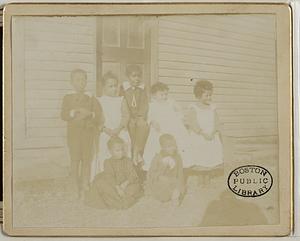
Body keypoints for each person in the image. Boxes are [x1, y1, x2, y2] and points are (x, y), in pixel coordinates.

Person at [61, 68, 104, 200]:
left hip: (87, 133)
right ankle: (74, 186)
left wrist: (89, 113)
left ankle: (85, 185)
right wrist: (74, 112)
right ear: (71, 82)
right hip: (74, 134)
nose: (81, 82)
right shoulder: (67, 97)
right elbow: (63, 115)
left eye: (83, 79)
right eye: (77, 80)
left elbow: (99, 115)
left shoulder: (90, 97)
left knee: (86, 159)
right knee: (75, 160)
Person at [90, 72, 131, 182]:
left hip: (119, 130)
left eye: (115, 86)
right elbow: (96, 119)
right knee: (104, 146)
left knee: (123, 144)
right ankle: (106, 177)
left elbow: (125, 115)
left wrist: (118, 129)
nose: (114, 89)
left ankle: (123, 177)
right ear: (103, 87)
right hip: (106, 131)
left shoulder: (121, 99)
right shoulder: (99, 100)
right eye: (110, 86)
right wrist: (104, 129)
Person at [143, 82, 192, 171]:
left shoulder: (171, 102)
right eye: (161, 95)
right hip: (160, 129)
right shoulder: (152, 105)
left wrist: (181, 119)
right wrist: (153, 122)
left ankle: (179, 165)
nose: (164, 97)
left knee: (178, 143)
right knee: (157, 144)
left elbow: (179, 111)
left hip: (173, 127)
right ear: (154, 95)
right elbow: (149, 117)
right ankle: (159, 166)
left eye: (166, 94)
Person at [85, 136, 143, 209]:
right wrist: (118, 188)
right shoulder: (108, 162)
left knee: (136, 187)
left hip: (126, 186)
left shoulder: (127, 160)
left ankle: (116, 200)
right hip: (114, 186)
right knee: (100, 184)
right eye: (117, 150)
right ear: (110, 151)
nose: (121, 152)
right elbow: (109, 177)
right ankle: (121, 200)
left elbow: (132, 174)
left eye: (122, 150)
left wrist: (125, 184)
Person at [185, 80, 223, 186]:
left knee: (209, 156)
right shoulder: (194, 108)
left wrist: (213, 132)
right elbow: (192, 123)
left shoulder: (212, 108)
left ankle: (207, 176)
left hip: (211, 135)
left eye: (210, 95)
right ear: (198, 95)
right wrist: (202, 133)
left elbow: (217, 121)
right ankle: (200, 177)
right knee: (201, 156)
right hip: (200, 136)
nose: (209, 98)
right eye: (206, 95)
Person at [121, 65, 149, 179]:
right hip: (128, 117)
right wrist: (129, 117)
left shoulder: (142, 90)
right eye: (133, 76)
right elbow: (122, 104)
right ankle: (135, 155)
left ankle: (136, 153)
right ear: (128, 77)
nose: (136, 79)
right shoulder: (123, 89)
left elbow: (144, 104)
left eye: (139, 76)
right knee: (131, 125)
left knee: (143, 125)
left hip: (139, 116)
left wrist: (141, 116)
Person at [145, 134, 185, 206]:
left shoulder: (177, 157)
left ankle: (175, 195)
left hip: (173, 182)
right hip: (160, 183)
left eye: (174, 146)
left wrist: (179, 185)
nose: (172, 148)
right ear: (162, 147)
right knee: (164, 183)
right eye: (169, 147)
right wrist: (163, 166)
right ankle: (169, 195)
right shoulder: (157, 158)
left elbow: (180, 173)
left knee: (178, 186)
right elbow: (151, 174)